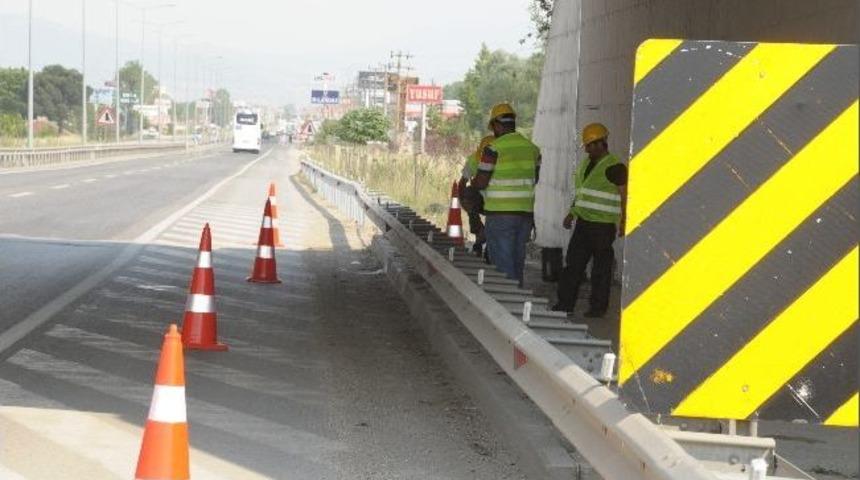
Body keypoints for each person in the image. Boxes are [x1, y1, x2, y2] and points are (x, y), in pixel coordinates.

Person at [552, 123, 627, 318]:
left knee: (600, 270)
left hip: (603, 226)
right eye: (586, 145)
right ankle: (565, 304)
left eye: (590, 145)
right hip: (583, 224)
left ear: (601, 143)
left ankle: (597, 308)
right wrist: (571, 213)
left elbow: (625, 195)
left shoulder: (615, 167)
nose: (587, 149)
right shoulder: (586, 164)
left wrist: (624, 221)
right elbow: (582, 193)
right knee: (573, 266)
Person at [471, 103, 541, 286]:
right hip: (525, 214)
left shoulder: (493, 148)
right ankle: (519, 298)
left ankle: (508, 302)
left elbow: (481, 182)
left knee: (502, 266)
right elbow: (535, 178)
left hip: (500, 214)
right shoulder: (533, 149)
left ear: (496, 124)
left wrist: (473, 183)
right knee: (517, 262)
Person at [459, 135, 495, 257]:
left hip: (498, 200)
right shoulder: (474, 159)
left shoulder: (504, 161)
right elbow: (462, 182)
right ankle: (480, 235)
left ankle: (489, 243)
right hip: (482, 199)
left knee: (494, 220)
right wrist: (463, 201)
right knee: (468, 194)